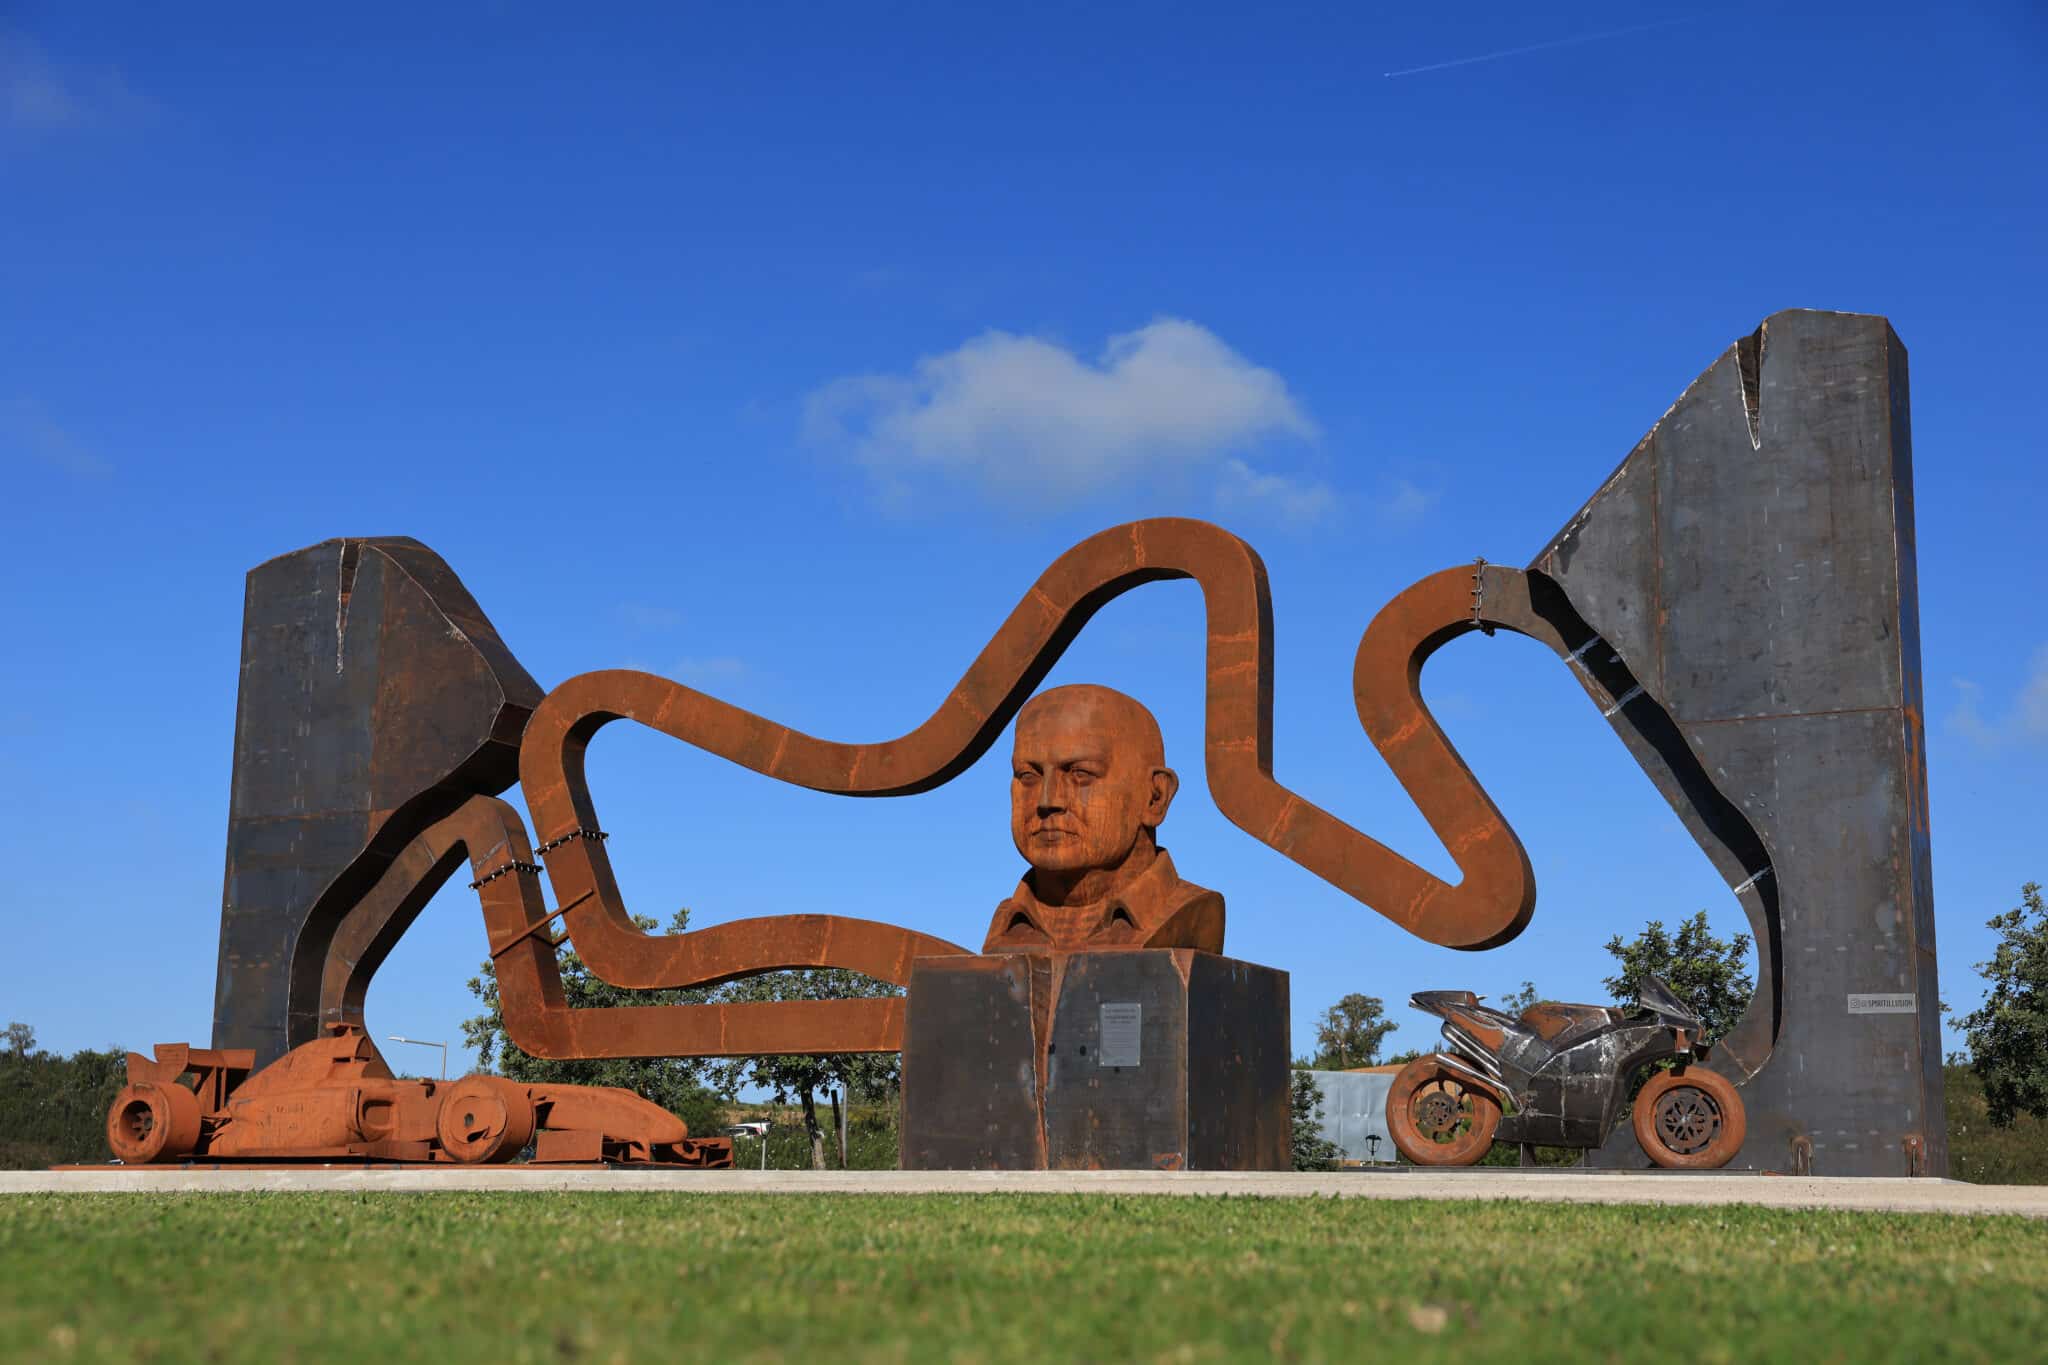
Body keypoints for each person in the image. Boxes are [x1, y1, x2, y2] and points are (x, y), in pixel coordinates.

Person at [982, 683, 1224, 955]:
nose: (1047, 801)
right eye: (1028, 776)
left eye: (1080, 774)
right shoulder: (1005, 928)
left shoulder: (1187, 912)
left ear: (1155, 797)